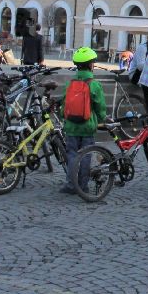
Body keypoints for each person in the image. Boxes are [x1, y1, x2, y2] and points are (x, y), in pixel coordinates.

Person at [59, 47, 107, 194]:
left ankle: (71, 185)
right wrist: (101, 119)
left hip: (71, 127)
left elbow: (63, 106)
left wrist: (65, 118)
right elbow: (100, 107)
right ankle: (82, 185)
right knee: (86, 156)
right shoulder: (94, 84)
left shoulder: (69, 84)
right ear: (91, 65)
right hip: (87, 127)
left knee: (72, 155)